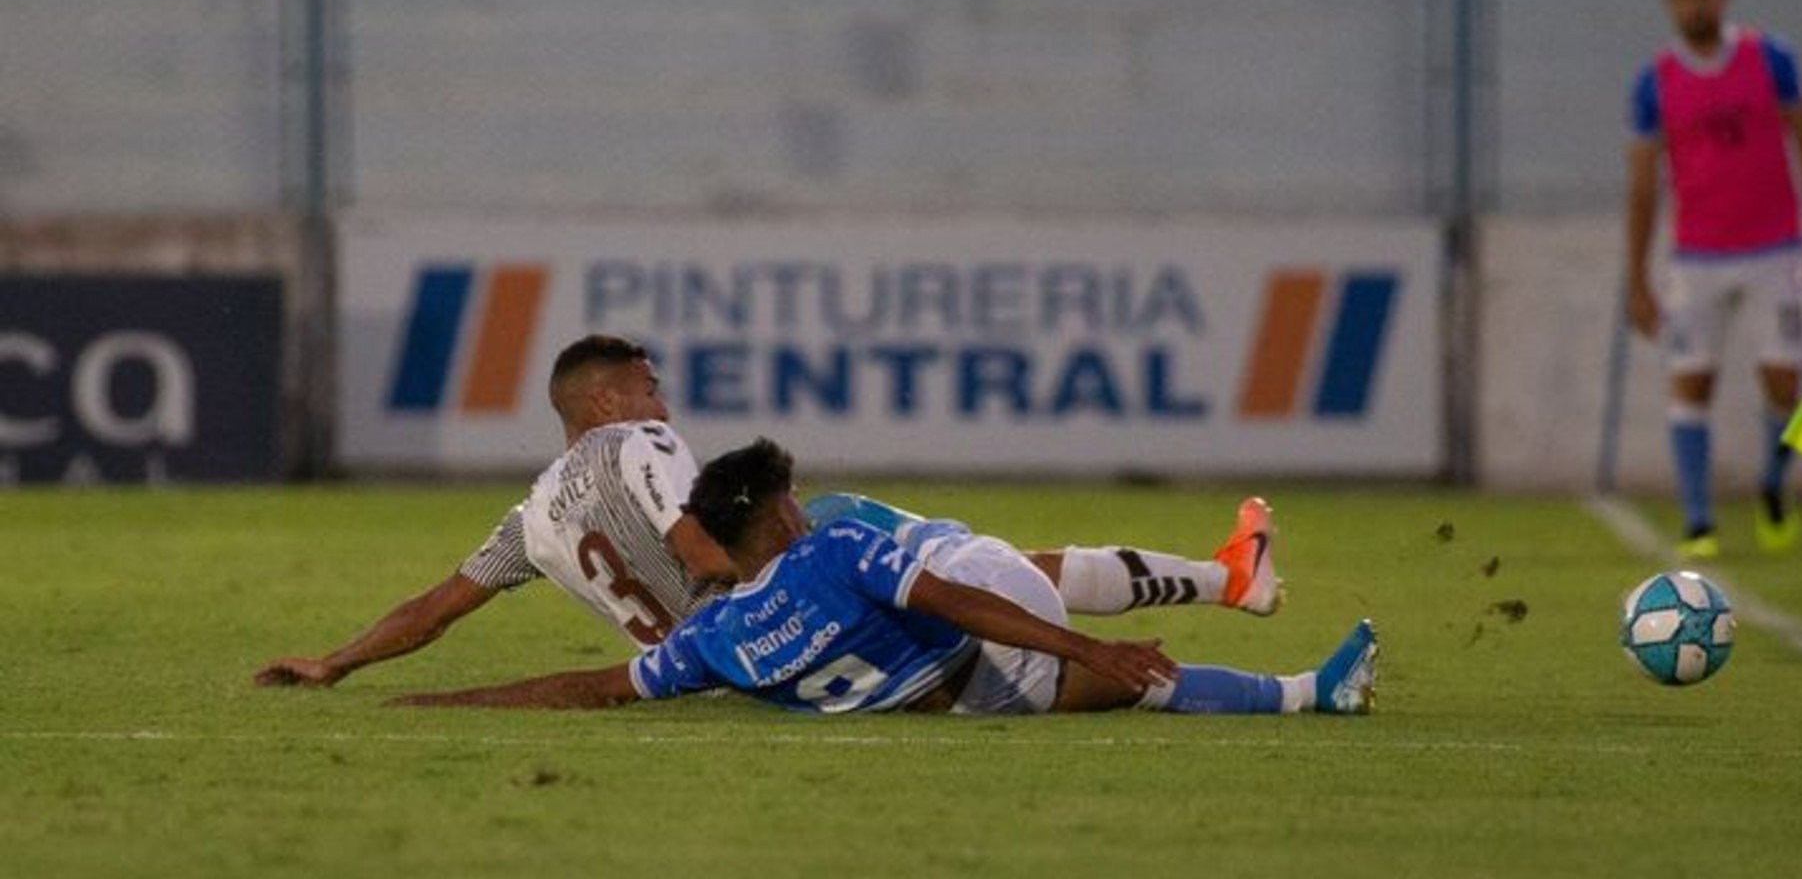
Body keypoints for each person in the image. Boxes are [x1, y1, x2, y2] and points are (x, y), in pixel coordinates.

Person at [256, 336, 1279, 689]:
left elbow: (434, 610)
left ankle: (1225, 576)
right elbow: (685, 534)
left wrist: (333, 660)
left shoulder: (527, 519)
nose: (666, 406)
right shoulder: (638, 444)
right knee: (974, 561)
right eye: (650, 387)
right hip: (776, 615)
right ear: (606, 404)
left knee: (979, 564)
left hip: (725, 665)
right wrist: (767, 578)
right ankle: (1228, 582)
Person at [393, 438, 1378, 717]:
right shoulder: (829, 544)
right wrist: (1086, 645)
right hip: (984, 664)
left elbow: (593, 686)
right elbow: (955, 600)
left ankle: (1237, 596)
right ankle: (1239, 603)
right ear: (779, 514)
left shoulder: (709, 642)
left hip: (934, 697)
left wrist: (449, 700)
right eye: (791, 496)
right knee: (947, 550)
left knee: (942, 561)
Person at [1624, 0, 1802, 560]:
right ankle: (1698, 521)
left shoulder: (1770, 59)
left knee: (1783, 378)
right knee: (1690, 381)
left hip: (1775, 249)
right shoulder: (1654, 83)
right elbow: (1642, 185)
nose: (1696, 5)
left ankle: (1773, 482)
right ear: (1670, 3)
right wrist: (1637, 276)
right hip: (1696, 257)